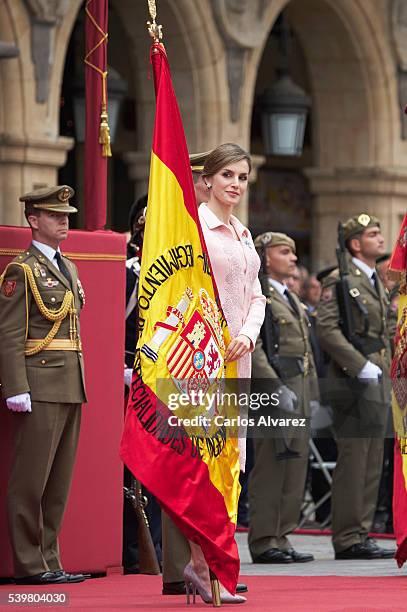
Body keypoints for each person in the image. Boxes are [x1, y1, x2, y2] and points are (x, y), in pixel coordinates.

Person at [162, 146, 264, 602]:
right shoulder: (194, 228)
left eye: (242, 176)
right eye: (227, 174)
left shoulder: (243, 233)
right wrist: (212, 334)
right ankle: (199, 565)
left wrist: (247, 333)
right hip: (198, 362)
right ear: (206, 179)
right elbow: (177, 292)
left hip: (236, 359)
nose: (236, 184)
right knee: (200, 462)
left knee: (230, 463)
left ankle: (212, 563)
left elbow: (257, 296)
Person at [0, 186, 86, 584]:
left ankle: (50, 560)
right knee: (30, 482)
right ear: (33, 220)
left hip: (69, 382)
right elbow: (10, 334)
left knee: (57, 483)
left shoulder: (66, 266)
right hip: (38, 383)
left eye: (66, 213)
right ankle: (29, 565)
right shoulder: (22, 269)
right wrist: (15, 386)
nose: (64, 219)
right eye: (54, 214)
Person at [316, 214, 395, 559]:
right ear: (355, 244)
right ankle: (348, 536)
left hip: (378, 374)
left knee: (373, 457)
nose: (381, 239)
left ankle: (361, 531)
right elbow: (328, 329)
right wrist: (358, 364)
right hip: (352, 378)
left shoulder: (375, 281)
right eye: (373, 234)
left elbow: (386, 330)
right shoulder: (339, 280)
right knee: (355, 457)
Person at [248, 232, 317, 564]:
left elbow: (306, 352)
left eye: (293, 252)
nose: (293, 258)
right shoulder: (258, 296)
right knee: (272, 465)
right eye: (284, 252)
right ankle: (263, 539)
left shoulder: (289, 297)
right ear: (264, 257)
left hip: (299, 390)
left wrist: (313, 395)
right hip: (274, 389)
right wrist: (273, 387)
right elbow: (256, 348)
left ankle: (282, 535)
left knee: (295, 465)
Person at [123, 194, 162, 573]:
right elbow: (116, 324)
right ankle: (135, 552)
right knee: (136, 472)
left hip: (173, 378)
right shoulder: (132, 271)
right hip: (133, 377)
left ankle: (165, 551)